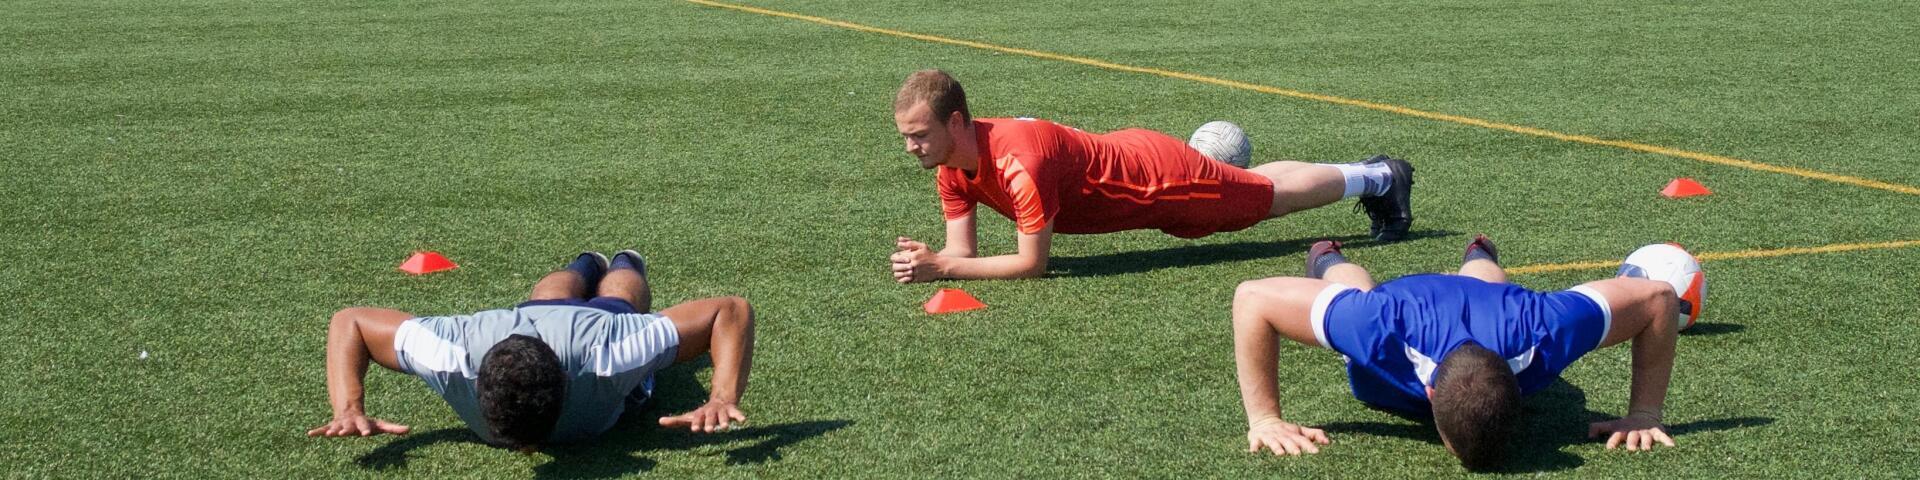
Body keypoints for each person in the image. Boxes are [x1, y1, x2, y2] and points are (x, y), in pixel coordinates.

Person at [887, 69, 1415, 283]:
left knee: (1265, 199)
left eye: (919, 135)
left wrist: (948, 271)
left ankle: (1379, 178)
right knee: (1254, 187)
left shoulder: (1018, 162)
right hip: (1139, 164)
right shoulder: (953, 166)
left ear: (956, 121)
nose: (911, 147)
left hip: (1161, 181)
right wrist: (931, 259)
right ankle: (1369, 173)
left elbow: (1032, 264)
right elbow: (965, 252)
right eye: (906, 136)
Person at [1229, 236, 1684, 470]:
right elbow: (1253, 299)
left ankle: (1480, 250)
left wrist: (1645, 413)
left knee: (1487, 288)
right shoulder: (1381, 325)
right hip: (1404, 302)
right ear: (1428, 393)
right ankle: (1327, 256)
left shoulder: (1538, 328)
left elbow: (1658, 297)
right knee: (1353, 289)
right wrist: (1264, 418)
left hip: (1490, 307)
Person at [307, 250, 756, 451]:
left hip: (591, 328)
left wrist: (722, 396)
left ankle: (623, 261)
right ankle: (586, 262)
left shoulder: (605, 354)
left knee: (620, 299)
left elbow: (729, 312)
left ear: (567, 382)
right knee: (548, 300)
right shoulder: (456, 353)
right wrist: (348, 407)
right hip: (519, 321)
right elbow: (351, 322)